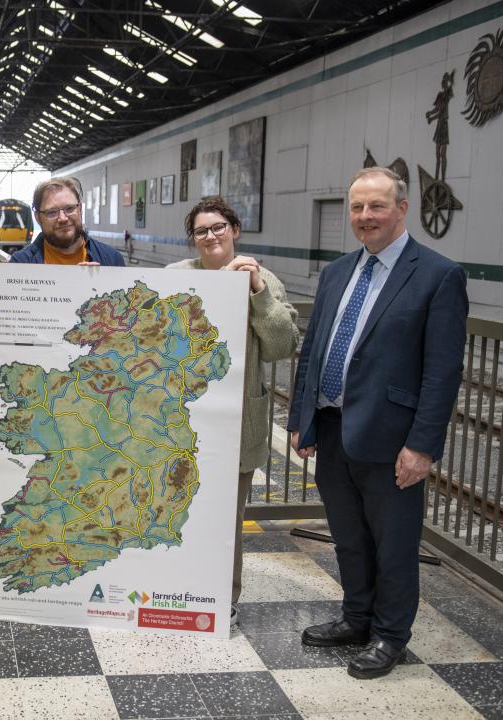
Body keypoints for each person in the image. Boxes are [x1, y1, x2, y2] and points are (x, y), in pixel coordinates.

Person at [288, 167, 467, 679]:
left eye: (377, 207)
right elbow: (313, 352)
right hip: (334, 429)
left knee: (393, 545)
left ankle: (390, 635)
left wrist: (423, 447)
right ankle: (356, 617)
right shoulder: (337, 272)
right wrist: (303, 419)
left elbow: (442, 372)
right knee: (348, 537)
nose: (366, 217)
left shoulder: (437, 275)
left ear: (402, 210)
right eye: (358, 208)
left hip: (392, 441)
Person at [166, 197, 299, 627]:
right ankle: (170, 590)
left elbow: (282, 345)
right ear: (193, 238)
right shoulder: (174, 278)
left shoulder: (261, 279)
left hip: (236, 421)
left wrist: (258, 293)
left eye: (219, 227)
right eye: (201, 230)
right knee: (173, 508)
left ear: (235, 230)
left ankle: (223, 598)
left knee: (226, 516)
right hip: (178, 421)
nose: (211, 236)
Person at [8, 177, 125, 266]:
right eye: (52, 212)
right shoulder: (21, 263)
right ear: (38, 217)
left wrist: (103, 283)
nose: (63, 218)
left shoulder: (112, 260)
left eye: (69, 209)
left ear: (80, 209)